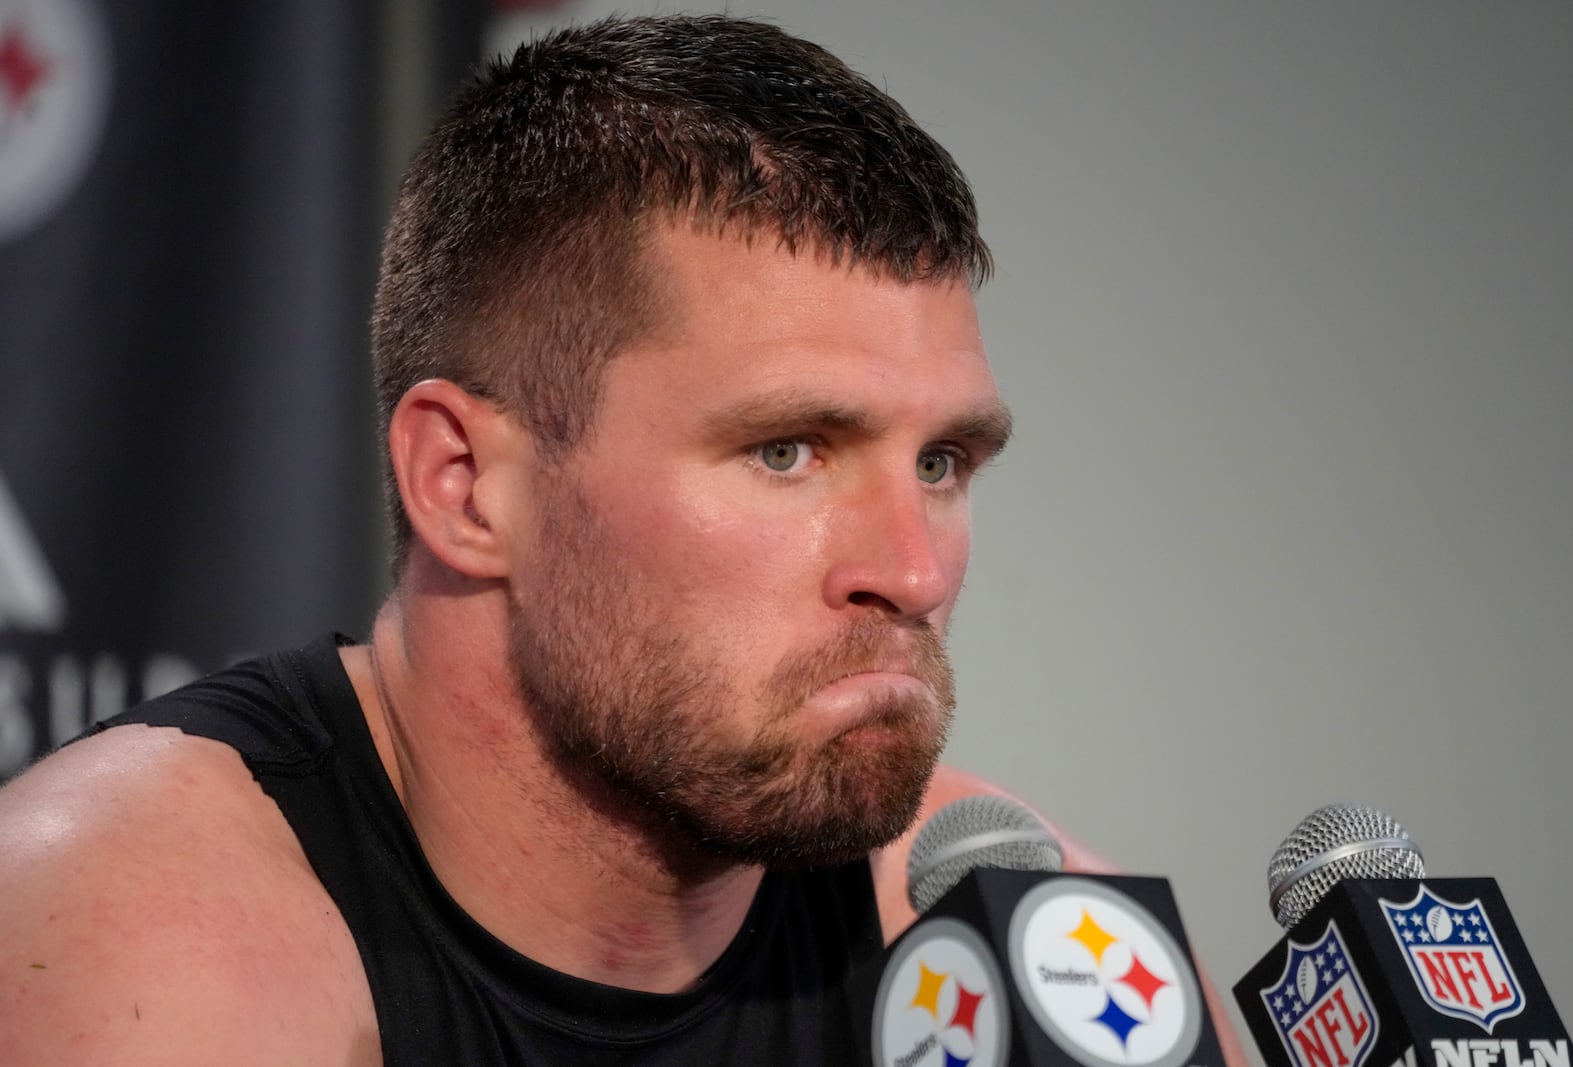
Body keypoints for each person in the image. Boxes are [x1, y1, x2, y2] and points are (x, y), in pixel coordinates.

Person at [0, 14, 1244, 1065]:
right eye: (786, 450)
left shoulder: (992, 920)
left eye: (940, 462)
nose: (913, 572)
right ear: (466, 483)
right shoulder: (140, 938)